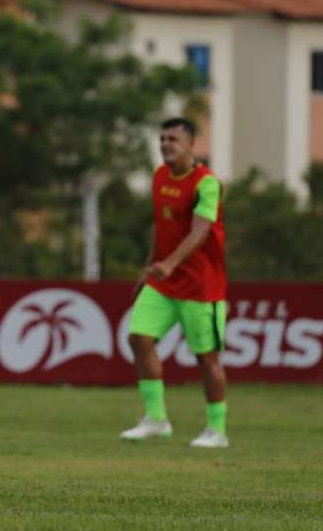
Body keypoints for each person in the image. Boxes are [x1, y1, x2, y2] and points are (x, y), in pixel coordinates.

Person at [120, 117, 229, 448]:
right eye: (163, 138)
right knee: (139, 338)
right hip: (163, 282)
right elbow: (162, 228)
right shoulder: (159, 176)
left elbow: (200, 231)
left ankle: (217, 431)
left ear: (191, 144)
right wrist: (149, 268)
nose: (166, 144)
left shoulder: (206, 183)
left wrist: (170, 263)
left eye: (173, 139)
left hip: (200, 285)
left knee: (206, 359)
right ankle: (156, 420)